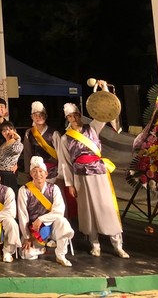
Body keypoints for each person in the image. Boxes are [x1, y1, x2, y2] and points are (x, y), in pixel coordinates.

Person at [59, 102, 129, 259]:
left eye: (76, 115)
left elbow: (104, 113)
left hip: (99, 173)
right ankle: (95, 244)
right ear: (67, 118)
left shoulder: (92, 128)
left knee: (107, 207)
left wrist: (105, 93)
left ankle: (117, 244)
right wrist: (69, 184)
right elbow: (65, 163)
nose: (73, 118)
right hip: (80, 177)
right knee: (88, 209)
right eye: (70, 116)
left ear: (80, 115)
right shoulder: (65, 138)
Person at [17, 156, 74, 267]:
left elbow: (59, 211)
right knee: (26, 254)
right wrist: (27, 237)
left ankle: (60, 255)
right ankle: (41, 249)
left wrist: (41, 219)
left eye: (40, 171)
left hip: (52, 225)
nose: (38, 174)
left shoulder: (54, 188)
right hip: (34, 230)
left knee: (63, 223)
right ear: (31, 174)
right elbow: (22, 215)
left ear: (46, 174)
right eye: (34, 171)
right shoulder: (24, 190)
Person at [23, 101, 61, 182]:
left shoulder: (54, 133)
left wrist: (61, 174)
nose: (38, 117)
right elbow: (27, 154)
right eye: (35, 115)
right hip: (36, 173)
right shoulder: (29, 133)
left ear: (46, 116)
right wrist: (27, 172)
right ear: (31, 117)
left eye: (41, 114)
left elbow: (61, 156)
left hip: (53, 172)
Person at [0, 122, 24, 193]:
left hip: (8, 173)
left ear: (14, 130)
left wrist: (18, 138)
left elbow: (17, 149)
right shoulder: (3, 143)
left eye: (9, 129)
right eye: (4, 130)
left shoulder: (17, 143)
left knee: (10, 195)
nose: (7, 132)